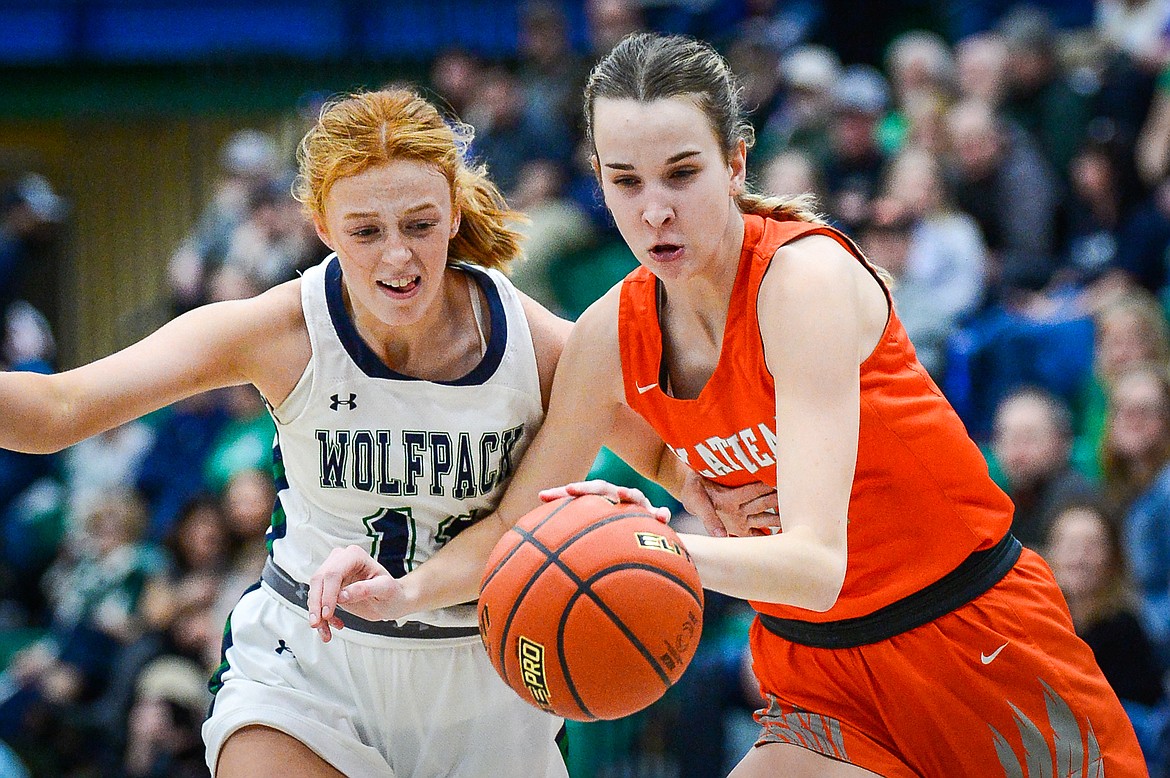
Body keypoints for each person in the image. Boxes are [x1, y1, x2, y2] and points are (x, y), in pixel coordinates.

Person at [309, 33, 1148, 776]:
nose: (656, 208)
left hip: (972, 642)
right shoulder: (611, 335)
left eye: (682, 172)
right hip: (818, 674)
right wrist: (406, 591)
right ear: (597, 181)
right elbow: (517, 527)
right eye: (626, 181)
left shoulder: (803, 282)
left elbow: (816, 564)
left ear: (737, 162)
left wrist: (630, 546)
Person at [0, 86, 599, 777]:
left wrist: (710, 495)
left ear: (454, 212)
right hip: (310, 665)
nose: (397, 257)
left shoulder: (534, 340)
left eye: (420, 225)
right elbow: (59, 409)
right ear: (321, 225)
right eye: (366, 231)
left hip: (481, 676)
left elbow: (668, 448)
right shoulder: (284, 330)